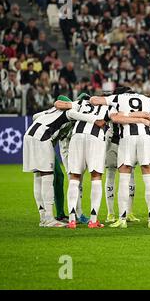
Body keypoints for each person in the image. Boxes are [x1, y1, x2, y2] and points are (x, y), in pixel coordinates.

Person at [90, 87, 150, 228]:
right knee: (148, 178)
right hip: (146, 138)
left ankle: (122, 219)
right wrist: (145, 117)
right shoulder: (147, 100)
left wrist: (127, 114)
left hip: (127, 138)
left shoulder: (118, 98)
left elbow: (94, 100)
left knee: (124, 177)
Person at [23, 96, 105, 227]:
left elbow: (34, 116)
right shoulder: (73, 109)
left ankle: (43, 216)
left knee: (38, 175)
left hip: (29, 135)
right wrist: (95, 119)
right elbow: (72, 113)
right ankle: (49, 218)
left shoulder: (51, 110)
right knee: (47, 176)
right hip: (43, 137)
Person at [54, 93, 117, 229]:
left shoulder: (82, 103)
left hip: (76, 137)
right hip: (95, 138)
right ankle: (93, 220)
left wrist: (81, 115)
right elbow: (118, 118)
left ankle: (72, 220)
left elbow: (58, 104)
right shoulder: (110, 106)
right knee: (96, 176)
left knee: (74, 177)